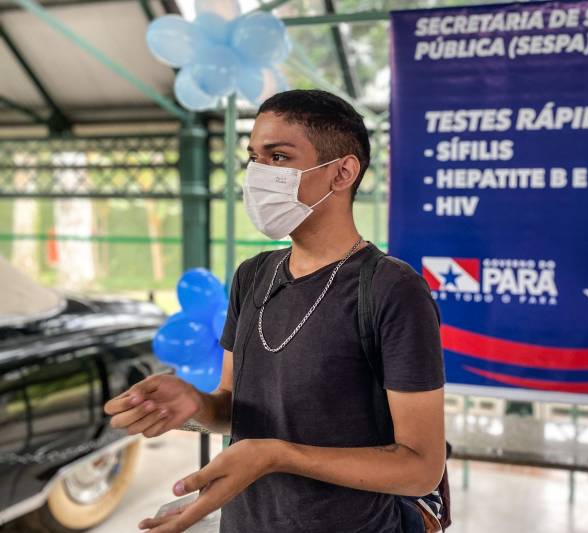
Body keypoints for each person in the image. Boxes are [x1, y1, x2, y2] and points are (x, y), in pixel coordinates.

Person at [103, 89, 446, 533]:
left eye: (279, 157)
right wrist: (195, 404)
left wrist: (277, 455)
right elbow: (232, 410)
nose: (258, 173)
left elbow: (420, 467)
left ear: (342, 172)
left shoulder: (390, 289)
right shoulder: (253, 275)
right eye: (253, 157)